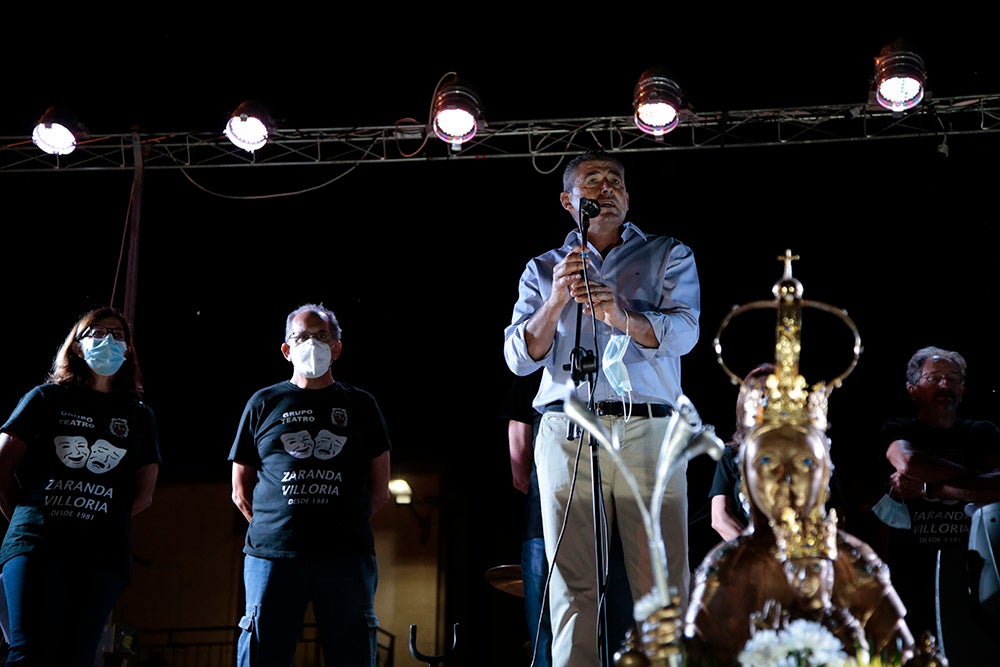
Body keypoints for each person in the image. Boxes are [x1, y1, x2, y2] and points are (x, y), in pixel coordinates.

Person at [502, 149, 701, 667]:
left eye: (616, 181)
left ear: (628, 198)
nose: (607, 187)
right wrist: (555, 302)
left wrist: (622, 314)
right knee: (571, 585)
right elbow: (517, 357)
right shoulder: (543, 268)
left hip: (649, 430)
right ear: (568, 200)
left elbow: (686, 331)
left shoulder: (667, 253)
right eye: (594, 180)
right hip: (567, 433)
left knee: (662, 584)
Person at [229, 303, 392, 667]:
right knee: (261, 653)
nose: (312, 344)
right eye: (302, 336)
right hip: (271, 556)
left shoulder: (361, 404)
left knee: (352, 653)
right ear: (286, 349)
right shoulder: (264, 402)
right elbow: (240, 486)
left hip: (346, 556)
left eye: (322, 336)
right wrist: (274, 528)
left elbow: (380, 487)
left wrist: (343, 523)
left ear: (337, 347)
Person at [0, 306, 161, 667]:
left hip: (102, 555)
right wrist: (25, 517)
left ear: (129, 350)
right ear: (76, 346)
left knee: (78, 656)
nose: (110, 341)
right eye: (98, 333)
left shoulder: (139, 415)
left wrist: (101, 520)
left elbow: (144, 492)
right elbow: (1, 468)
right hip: (37, 546)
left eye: (119, 336)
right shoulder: (45, 398)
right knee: (27, 653)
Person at [503, 370, 633, 667]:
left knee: (615, 626)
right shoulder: (534, 372)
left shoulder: (614, 373)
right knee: (549, 629)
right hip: (546, 524)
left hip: (612, 522)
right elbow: (520, 469)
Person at [880, 345, 1000, 665]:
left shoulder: (983, 432)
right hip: (912, 564)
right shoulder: (898, 429)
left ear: (963, 388)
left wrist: (931, 487)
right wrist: (977, 482)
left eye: (952, 378)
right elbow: (907, 461)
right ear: (913, 390)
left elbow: (998, 487)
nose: (945, 385)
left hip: (974, 565)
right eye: (934, 378)